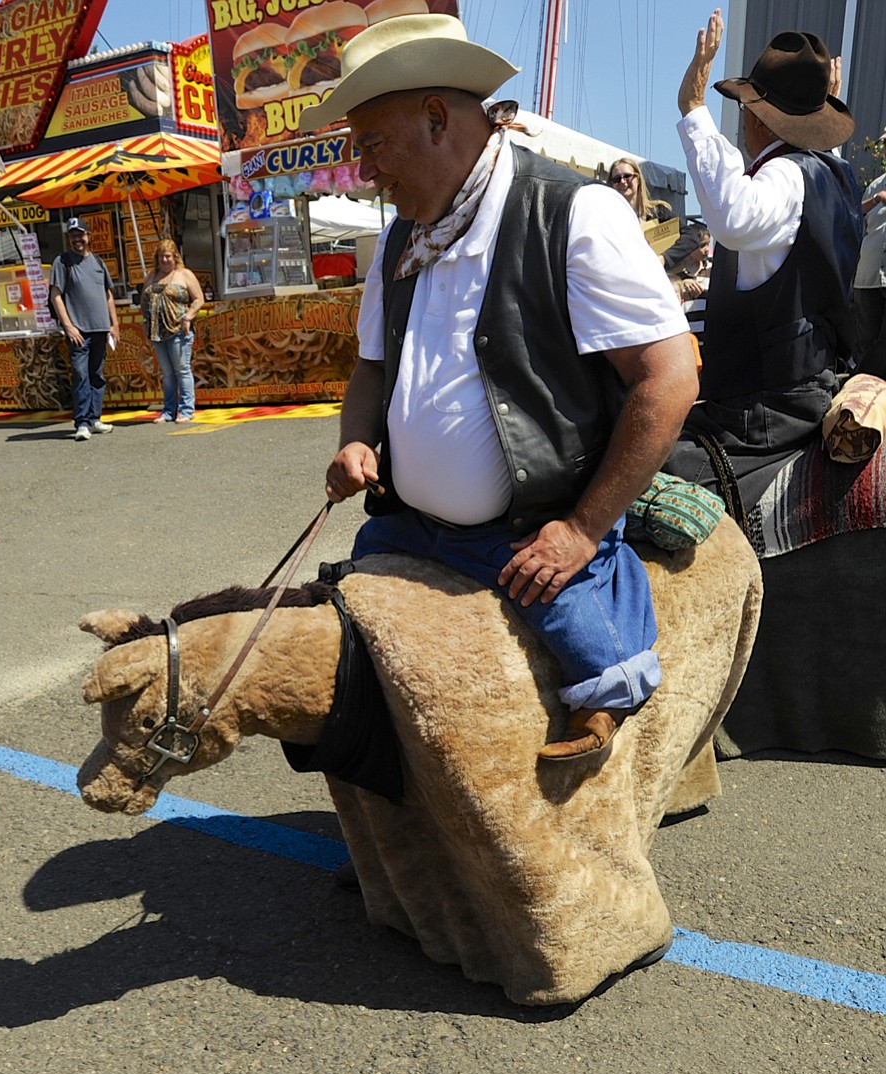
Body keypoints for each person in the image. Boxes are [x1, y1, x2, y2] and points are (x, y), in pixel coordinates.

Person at [298, 14, 698, 760]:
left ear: (437, 119)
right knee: (346, 641)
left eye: (373, 146)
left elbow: (668, 379)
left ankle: (601, 761)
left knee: (600, 660)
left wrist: (579, 531)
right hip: (411, 524)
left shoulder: (576, 213)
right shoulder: (398, 239)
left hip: (532, 527)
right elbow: (374, 369)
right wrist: (356, 439)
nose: (364, 171)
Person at [663, 12, 864, 506]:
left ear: (756, 116)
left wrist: (693, 107)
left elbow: (734, 213)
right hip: (807, 384)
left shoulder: (786, 176)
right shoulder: (837, 176)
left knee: (639, 462)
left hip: (764, 407)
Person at [49, 217, 120, 442]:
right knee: (81, 376)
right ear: (68, 238)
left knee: (96, 375)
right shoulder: (62, 262)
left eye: (80, 235)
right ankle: (82, 423)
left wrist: (114, 323)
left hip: (100, 328)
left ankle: (94, 418)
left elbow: (108, 294)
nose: (77, 239)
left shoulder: (98, 262)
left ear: (88, 236)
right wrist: (68, 326)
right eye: (72, 236)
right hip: (79, 330)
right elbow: (56, 295)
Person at [139, 239, 205, 423]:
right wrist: (145, 319)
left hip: (178, 329)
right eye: (161, 257)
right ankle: (168, 410)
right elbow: (144, 300)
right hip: (157, 332)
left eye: (168, 256)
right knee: (167, 373)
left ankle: (186, 410)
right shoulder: (152, 275)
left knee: (182, 369)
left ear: (175, 256)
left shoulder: (184, 274)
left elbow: (199, 299)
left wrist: (188, 316)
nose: (165, 260)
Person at [853, 173, 886, 378]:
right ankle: (862, 400)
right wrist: (875, 200)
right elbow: (854, 214)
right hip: (869, 275)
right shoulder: (875, 185)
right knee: (866, 344)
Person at [661, 222, 713, 340]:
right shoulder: (674, 274)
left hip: (707, 336)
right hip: (684, 335)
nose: (706, 250)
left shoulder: (711, 271)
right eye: (702, 245)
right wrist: (681, 284)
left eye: (708, 245)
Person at [605, 158, 674, 224]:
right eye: (617, 179)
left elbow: (683, 232)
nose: (622, 181)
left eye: (627, 176)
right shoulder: (607, 218)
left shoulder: (659, 211)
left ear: (638, 179)